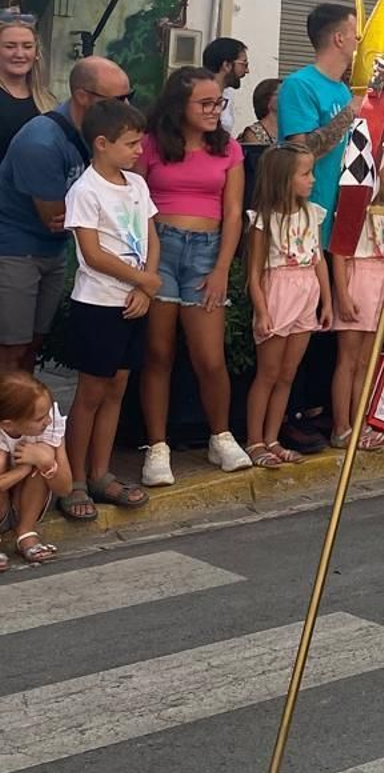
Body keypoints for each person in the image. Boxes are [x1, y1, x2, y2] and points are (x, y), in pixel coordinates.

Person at [137, 66, 252, 488]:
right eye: (205, 103)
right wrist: (146, 266)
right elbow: (137, 202)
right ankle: (157, 445)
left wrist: (223, 267)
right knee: (158, 352)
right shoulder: (150, 145)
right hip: (160, 249)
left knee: (210, 357)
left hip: (206, 252)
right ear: (177, 105)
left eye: (217, 103)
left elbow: (234, 211)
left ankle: (220, 435)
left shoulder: (229, 150)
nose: (214, 110)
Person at [0, 56, 126, 380]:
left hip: (54, 251)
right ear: (83, 96)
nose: (125, 108)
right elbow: (56, 218)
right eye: (117, 100)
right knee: (11, 347)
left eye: (129, 98)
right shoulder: (41, 142)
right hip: (17, 248)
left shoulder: (97, 134)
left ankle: (21, 420)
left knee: (33, 344)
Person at [63, 98, 161, 511]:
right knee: (91, 391)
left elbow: (150, 237)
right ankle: (75, 479)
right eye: (132, 144)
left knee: (118, 386)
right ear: (102, 143)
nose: (140, 151)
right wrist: (141, 279)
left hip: (133, 301)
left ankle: (102, 471)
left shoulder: (137, 185)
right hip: (99, 302)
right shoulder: (85, 190)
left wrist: (145, 289)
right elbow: (92, 253)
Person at [245, 146, 331, 465]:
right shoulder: (263, 221)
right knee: (268, 372)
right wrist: (262, 310)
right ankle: (255, 441)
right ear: (284, 179)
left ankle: (272, 437)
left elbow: (319, 259)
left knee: (287, 372)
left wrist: (327, 301)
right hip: (278, 291)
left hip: (306, 291)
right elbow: (254, 273)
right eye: (305, 174)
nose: (311, 180)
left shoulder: (313, 213)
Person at [276, 3, 360, 248]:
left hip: (338, 215)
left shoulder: (344, 91)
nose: (360, 42)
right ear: (339, 38)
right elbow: (302, 150)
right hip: (304, 215)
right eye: (356, 35)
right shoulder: (299, 85)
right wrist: (350, 113)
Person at [329, 194, 384, 451]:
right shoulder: (354, 202)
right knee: (349, 359)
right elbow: (340, 253)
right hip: (358, 277)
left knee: (366, 361)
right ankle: (341, 427)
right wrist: (343, 295)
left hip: (377, 276)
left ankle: (360, 422)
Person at [0, 370, 70, 570]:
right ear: (8, 423)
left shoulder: (49, 423)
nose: (47, 421)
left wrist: (46, 463)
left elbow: (65, 488)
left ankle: (26, 531)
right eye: (39, 418)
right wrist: (21, 471)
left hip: (25, 500)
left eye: (47, 413)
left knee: (45, 454)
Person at [0, 13, 50, 165]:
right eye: (10, 46)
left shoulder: (47, 100)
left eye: (27, 46)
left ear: (36, 52)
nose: (19, 54)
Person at [237, 76, 281, 202]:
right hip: (261, 195)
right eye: (281, 94)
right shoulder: (253, 132)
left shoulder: (289, 129)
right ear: (267, 99)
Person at [202, 36, 250, 135]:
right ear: (227, 65)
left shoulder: (228, 94)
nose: (247, 71)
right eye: (244, 64)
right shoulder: (199, 94)